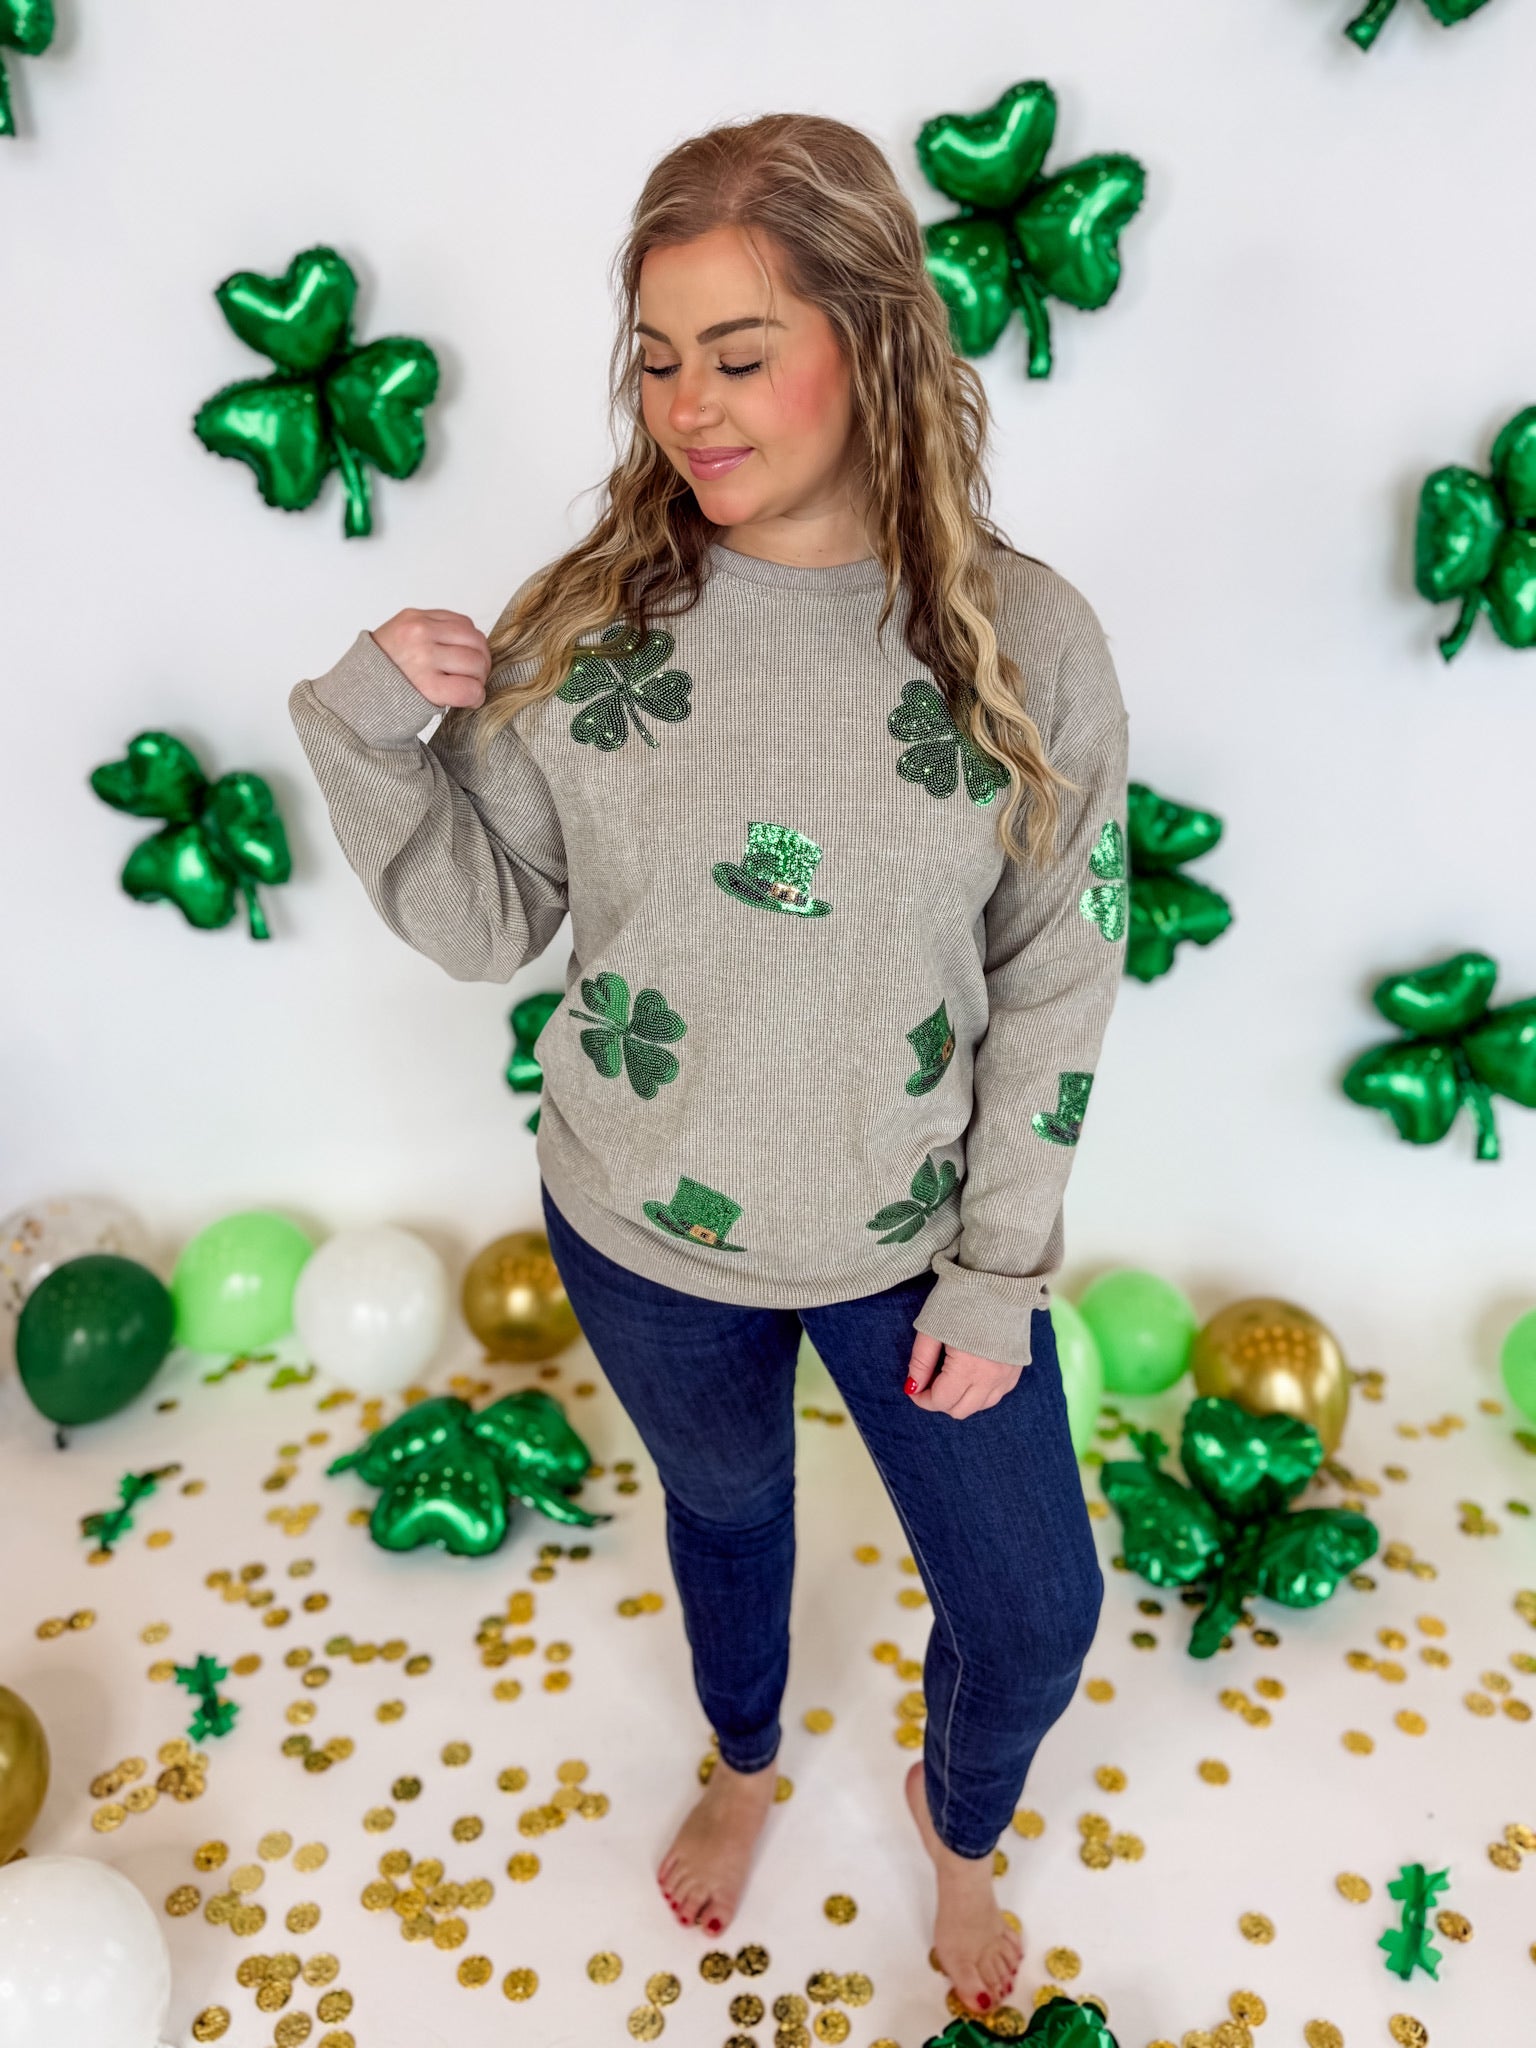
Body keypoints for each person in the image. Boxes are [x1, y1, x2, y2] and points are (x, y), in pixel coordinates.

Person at [289, 110, 1128, 2017]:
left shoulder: (1029, 639)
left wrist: (999, 1271)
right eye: (660, 359)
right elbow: (493, 923)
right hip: (642, 1227)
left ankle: (958, 1831)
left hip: (917, 1247)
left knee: (1032, 1609)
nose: (689, 407)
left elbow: (1061, 971)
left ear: (875, 339)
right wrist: (363, 732)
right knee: (731, 1517)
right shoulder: (596, 625)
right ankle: (744, 1765)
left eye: (740, 356)